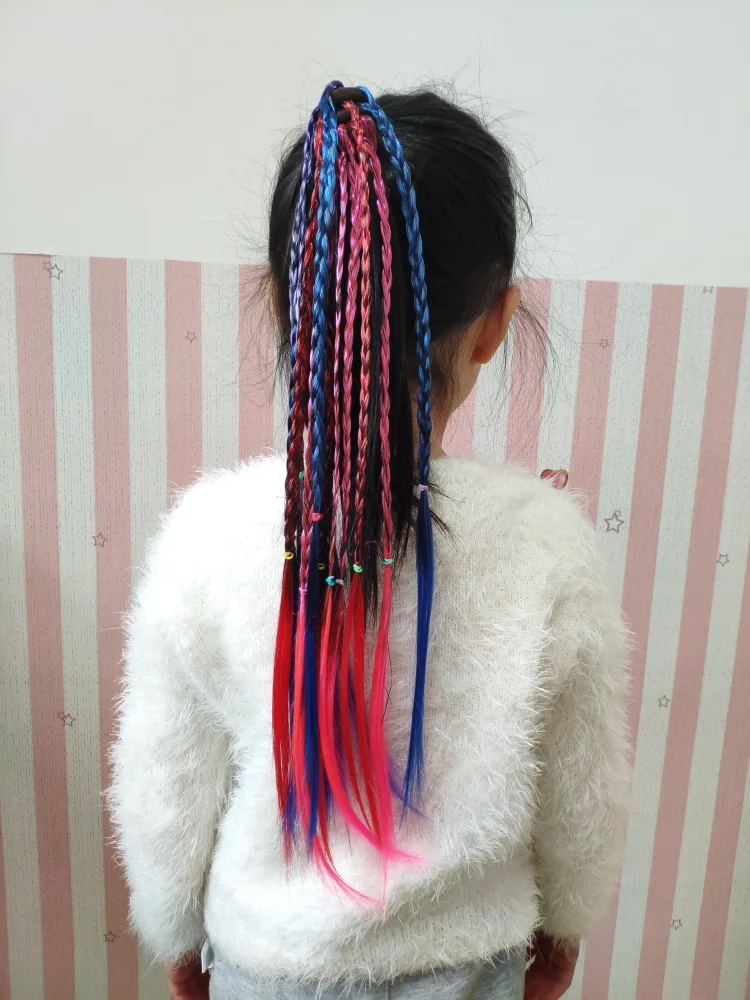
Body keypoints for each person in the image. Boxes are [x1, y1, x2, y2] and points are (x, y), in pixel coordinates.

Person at [109, 83, 630, 1000]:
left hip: (266, 964)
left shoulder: (207, 536)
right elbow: (583, 795)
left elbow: (167, 788)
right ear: (496, 324)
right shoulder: (549, 547)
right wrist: (568, 923)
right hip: (465, 969)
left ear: (287, 305)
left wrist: (175, 931)